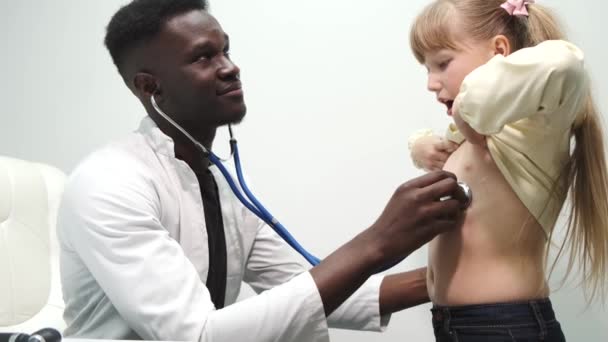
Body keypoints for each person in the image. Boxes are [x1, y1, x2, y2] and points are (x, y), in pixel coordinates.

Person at [56, 1, 468, 341]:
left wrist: (459, 273)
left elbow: (311, 290)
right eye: (203, 57)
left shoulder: (224, 182)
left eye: (225, 51)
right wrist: (378, 241)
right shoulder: (109, 183)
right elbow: (197, 336)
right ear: (150, 87)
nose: (230, 68)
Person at [406, 0, 608, 340]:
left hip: (504, 326)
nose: (431, 83)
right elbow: (447, 142)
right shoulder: (477, 135)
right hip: (458, 326)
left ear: (500, 51)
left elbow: (566, 62)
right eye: (427, 69)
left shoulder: (534, 130)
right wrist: (422, 147)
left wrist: (469, 103)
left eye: (442, 63)